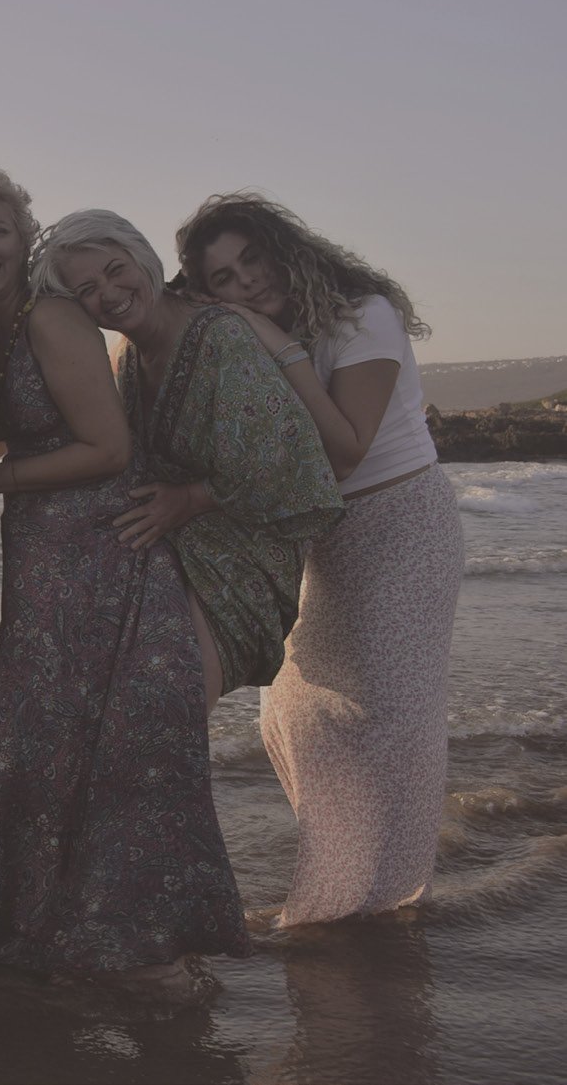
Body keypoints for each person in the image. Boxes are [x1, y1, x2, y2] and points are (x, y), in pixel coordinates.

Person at [0, 170, 247, 988]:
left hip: (102, 549)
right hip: (46, 552)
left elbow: (107, 448)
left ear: (21, 235)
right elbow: (10, 432)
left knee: (106, 743)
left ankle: (142, 942)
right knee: (26, 737)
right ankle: (54, 924)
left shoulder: (48, 314)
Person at [178, 192, 463, 925]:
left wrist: (278, 347)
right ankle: (342, 883)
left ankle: (381, 898)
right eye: (222, 280)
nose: (244, 283)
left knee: (389, 717)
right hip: (322, 536)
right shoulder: (258, 338)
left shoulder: (358, 313)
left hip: (399, 522)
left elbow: (344, 445)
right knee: (296, 708)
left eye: (251, 260)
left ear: (283, 249)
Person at [38, 209, 343, 711]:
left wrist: (190, 498)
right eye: (87, 289)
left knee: (163, 713)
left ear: (143, 258)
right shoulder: (129, 360)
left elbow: (291, 461)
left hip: (244, 560)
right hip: (174, 552)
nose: (109, 293)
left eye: (116, 269)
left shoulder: (221, 337)